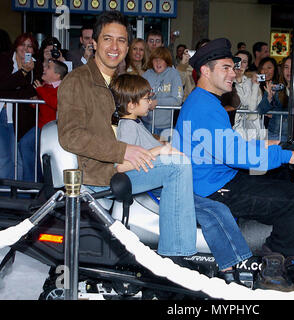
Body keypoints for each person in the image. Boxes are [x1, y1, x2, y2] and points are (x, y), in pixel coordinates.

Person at [173, 38, 294, 292]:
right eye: (226, 68)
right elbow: (234, 154)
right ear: (205, 71)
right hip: (216, 188)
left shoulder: (205, 102)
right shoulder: (204, 106)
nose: (233, 74)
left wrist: (273, 145)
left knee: (281, 178)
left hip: (219, 179)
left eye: (233, 67)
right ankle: (274, 268)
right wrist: (286, 156)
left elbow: (229, 144)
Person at [57, 11, 197, 261]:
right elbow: (70, 136)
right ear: (95, 43)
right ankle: (176, 259)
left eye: (121, 40)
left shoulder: (117, 81)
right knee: (178, 166)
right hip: (100, 174)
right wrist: (123, 150)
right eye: (108, 39)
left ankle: (173, 242)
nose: (115, 46)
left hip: (119, 166)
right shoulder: (77, 81)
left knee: (180, 157)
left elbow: (125, 123)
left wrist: (153, 143)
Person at [111, 73, 252, 280]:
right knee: (213, 211)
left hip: (162, 181)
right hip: (158, 185)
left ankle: (230, 264)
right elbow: (122, 164)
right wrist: (159, 151)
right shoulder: (128, 127)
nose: (151, 102)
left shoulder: (136, 125)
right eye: (146, 99)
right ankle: (229, 266)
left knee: (214, 210)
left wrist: (161, 145)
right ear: (131, 106)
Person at [0, 32, 41, 180]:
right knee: (5, 158)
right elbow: (3, 85)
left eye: (29, 46)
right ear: (16, 46)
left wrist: (26, 75)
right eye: (22, 45)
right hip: (3, 113)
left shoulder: (34, 66)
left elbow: (31, 89)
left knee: (18, 158)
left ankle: (19, 195)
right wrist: (22, 72)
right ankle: (5, 196)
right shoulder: (4, 60)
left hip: (20, 116)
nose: (25, 49)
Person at [20, 60, 68, 182]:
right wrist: (34, 103)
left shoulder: (63, 87)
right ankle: (31, 183)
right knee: (26, 145)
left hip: (52, 131)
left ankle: (38, 183)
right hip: (41, 127)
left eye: (48, 67)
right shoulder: (44, 86)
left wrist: (41, 91)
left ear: (57, 75)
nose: (44, 69)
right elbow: (45, 104)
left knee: (44, 157)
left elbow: (56, 103)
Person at [141, 47, 183, 139]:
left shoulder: (174, 74)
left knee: (164, 152)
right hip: (146, 124)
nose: (158, 63)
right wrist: (147, 96)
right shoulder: (147, 74)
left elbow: (177, 100)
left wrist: (157, 102)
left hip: (166, 127)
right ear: (151, 61)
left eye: (162, 60)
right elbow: (138, 95)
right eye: (155, 60)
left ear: (167, 61)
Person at [232, 50, 266, 141]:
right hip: (232, 128)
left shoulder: (252, 82)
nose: (241, 64)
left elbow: (252, 111)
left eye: (244, 62)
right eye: (238, 61)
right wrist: (238, 81)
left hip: (251, 131)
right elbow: (237, 104)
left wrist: (255, 86)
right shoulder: (226, 82)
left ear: (247, 66)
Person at [257, 57, 288, 142]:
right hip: (263, 130)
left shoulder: (278, 86)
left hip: (277, 131)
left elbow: (284, 106)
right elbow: (260, 109)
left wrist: (274, 113)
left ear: (276, 70)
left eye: (269, 68)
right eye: (262, 68)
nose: (265, 71)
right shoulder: (257, 85)